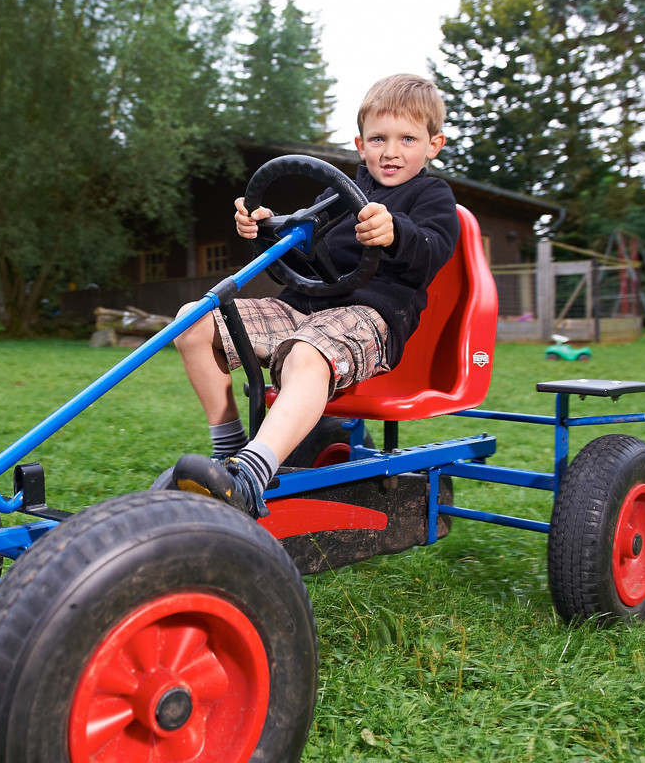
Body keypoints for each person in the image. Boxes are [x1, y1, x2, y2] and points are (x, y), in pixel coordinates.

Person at [169, 73, 460, 517]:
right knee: (194, 319)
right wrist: (266, 228)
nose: (392, 151)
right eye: (379, 138)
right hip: (300, 305)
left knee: (308, 352)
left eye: (408, 138)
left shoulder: (432, 195)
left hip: (368, 316)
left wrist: (396, 232)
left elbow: (432, 251)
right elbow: (301, 251)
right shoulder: (338, 195)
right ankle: (228, 450)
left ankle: (249, 476)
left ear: (433, 144)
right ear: (360, 145)